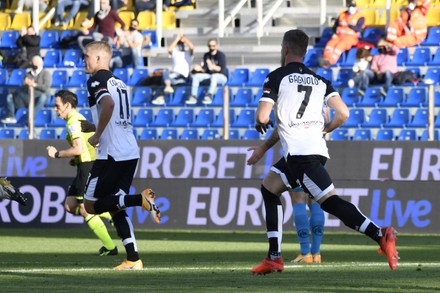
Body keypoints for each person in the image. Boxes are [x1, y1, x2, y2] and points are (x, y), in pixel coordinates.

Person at [250, 29, 398, 275]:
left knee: (330, 202)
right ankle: (274, 256)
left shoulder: (276, 77)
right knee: (269, 187)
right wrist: (324, 129)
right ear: (305, 51)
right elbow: (344, 113)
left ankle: (380, 233)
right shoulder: (320, 81)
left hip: (300, 156)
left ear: (285, 49)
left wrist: (260, 122)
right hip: (313, 150)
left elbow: (263, 116)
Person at [82, 41, 160, 270]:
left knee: (91, 206)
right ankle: (133, 258)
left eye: (87, 56)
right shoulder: (120, 82)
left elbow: (108, 104)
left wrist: (96, 135)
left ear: (98, 59)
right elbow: (114, 113)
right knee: (116, 205)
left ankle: (140, 199)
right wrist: (94, 125)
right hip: (129, 151)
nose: (84, 60)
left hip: (111, 154)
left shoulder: (97, 79)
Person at [46, 90, 118, 256]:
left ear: (67, 105)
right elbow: (86, 144)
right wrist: (76, 159)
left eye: (57, 106)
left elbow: (78, 149)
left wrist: (56, 154)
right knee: (70, 206)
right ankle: (110, 214)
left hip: (87, 166)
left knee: (84, 209)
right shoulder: (77, 118)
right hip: (85, 164)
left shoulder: (73, 122)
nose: (55, 110)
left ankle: (109, 246)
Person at [247, 136, 325, 265]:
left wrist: (263, 148)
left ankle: (305, 252)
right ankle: (316, 253)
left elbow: (278, 127)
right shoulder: (320, 114)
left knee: (298, 197)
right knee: (315, 198)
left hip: (298, 152)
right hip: (319, 151)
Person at [1, 55, 51, 124]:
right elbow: (22, 88)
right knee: (11, 96)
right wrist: (25, 84)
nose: (33, 64)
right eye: (33, 63)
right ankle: (11, 116)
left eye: (35, 63)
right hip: (28, 96)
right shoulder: (28, 74)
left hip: (39, 97)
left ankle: (30, 117)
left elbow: (45, 88)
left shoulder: (46, 73)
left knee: (43, 97)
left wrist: (34, 85)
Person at [151, 31, 194, 105]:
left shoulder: (188, 54)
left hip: (182, 77)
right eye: (179, 44)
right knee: (165, 73)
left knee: (164, 78)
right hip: (173, 76)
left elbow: (191, 47)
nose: (181, 45)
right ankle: (166, 89)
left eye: (182, 44)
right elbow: (170, 49)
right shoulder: (175, 52)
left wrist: (183, 38)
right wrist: (177, 39)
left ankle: (161, 97)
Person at [318, 0, 365, 67]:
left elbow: (359, 29)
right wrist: (334, 33)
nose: (351, 8)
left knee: (339, 46)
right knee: (330, 44)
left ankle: (330, 62)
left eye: (353, 6)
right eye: (350, 6)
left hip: (351, 37)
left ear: (356, 7)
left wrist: (347, 24)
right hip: (338, 35)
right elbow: (335, 26)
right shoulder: (342, 14)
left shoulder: (360, 16)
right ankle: (325, 59)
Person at [185, 39, 228, 105]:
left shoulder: (220, 55)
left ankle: (209, 95)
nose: (211, 47)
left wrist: (211, 65)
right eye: (210, 46)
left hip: (221, 76)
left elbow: (220, 69)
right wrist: (200, 69)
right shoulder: (206, 55)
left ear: (216, 46)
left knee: (214, 76)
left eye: (213, 46)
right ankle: (193, 96)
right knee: (196, 76)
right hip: (210, 75)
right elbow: (205, 69)